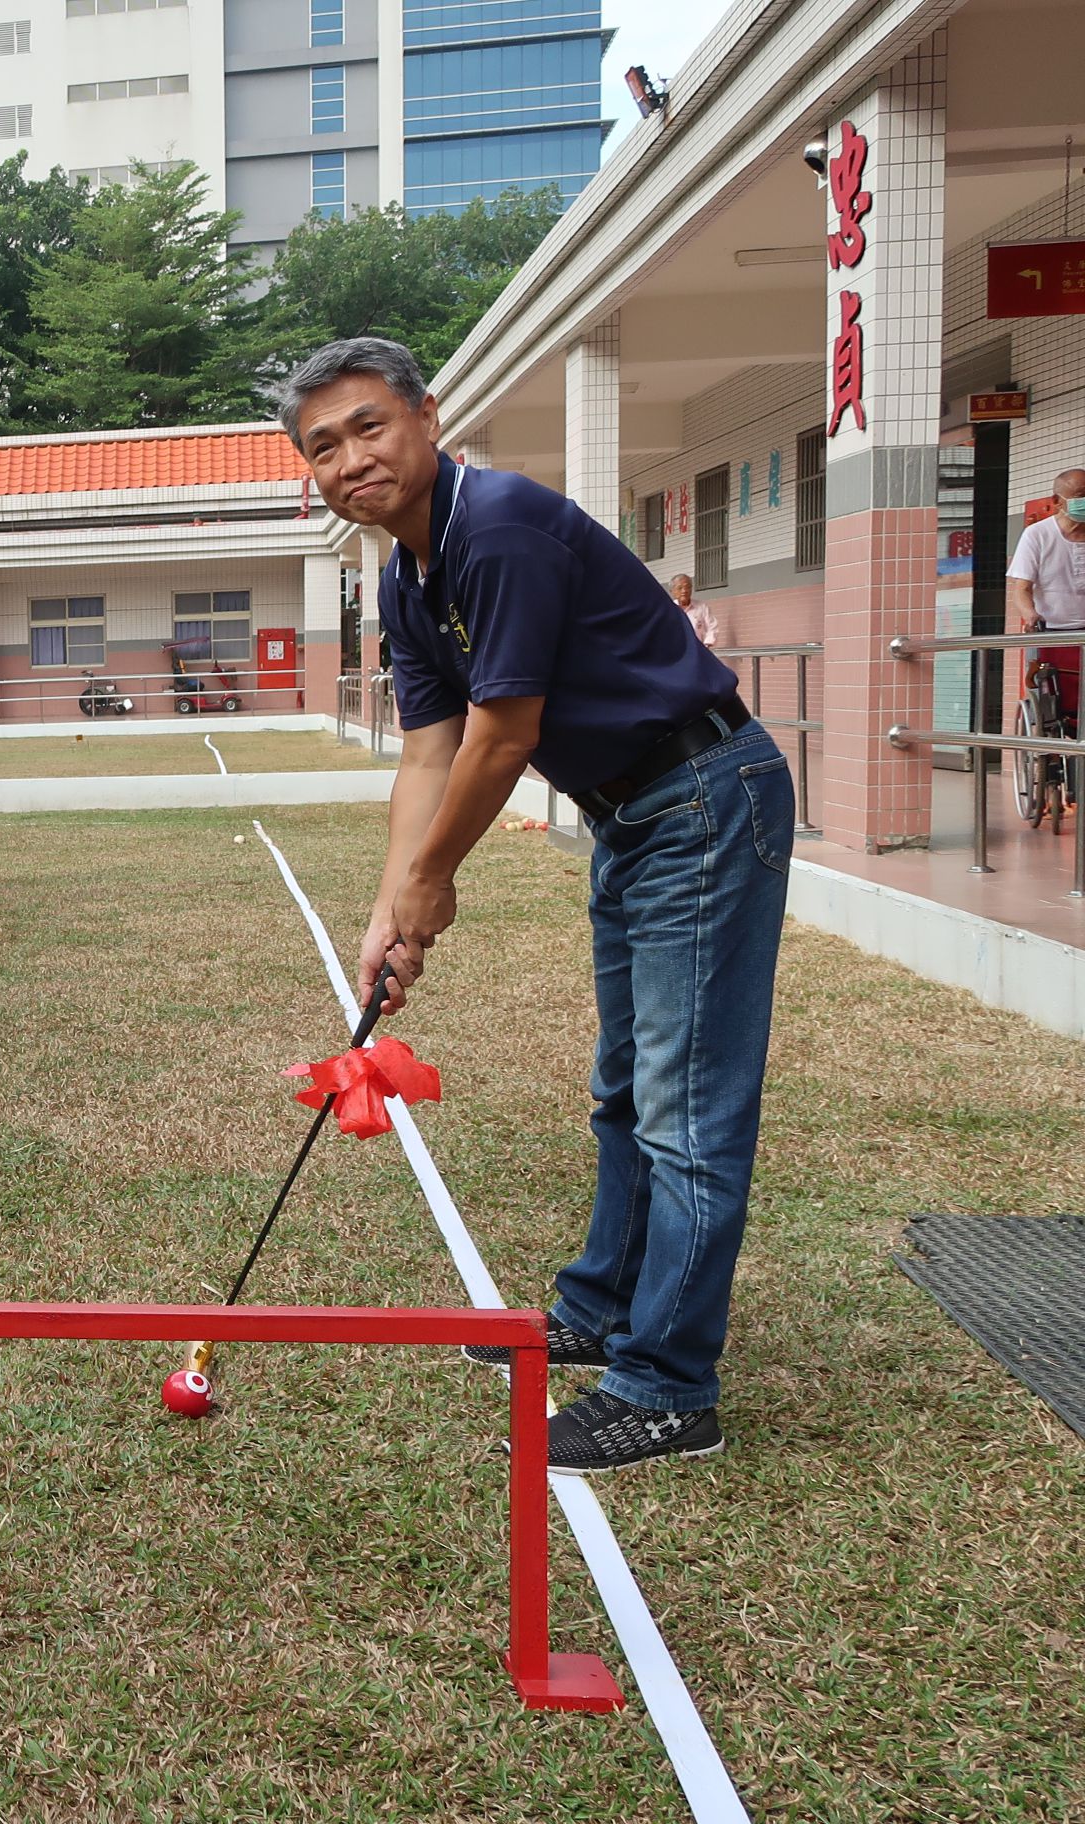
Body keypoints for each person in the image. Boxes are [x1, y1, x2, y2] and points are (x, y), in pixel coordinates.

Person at [284, 334, 788, 1476]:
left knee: (686, 1104)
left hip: (703, 794)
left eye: (370, 426)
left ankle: (668, 1388)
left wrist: (432, 881)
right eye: (324, 448)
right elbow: (430, 750)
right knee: (627, 1091)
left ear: (425, 416)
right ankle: (602, 1311)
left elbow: (505, 735)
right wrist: (387, 908)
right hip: (633, 815)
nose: (352, 458)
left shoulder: (496, 525)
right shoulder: (407, 577)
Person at [1009, 468, 1085, 721]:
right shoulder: (1038, 535)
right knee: (1058, 699)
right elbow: (1021, 587)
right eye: (1081, 495)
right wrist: (1029, 614)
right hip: (1055, 632)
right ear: (1057, 501)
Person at [666, 573, 717, 649]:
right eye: (680, 588)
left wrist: (706, 645)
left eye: (688, 587)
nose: (684, 591)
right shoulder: (668, 610)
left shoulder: (702, 607)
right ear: (672, 591)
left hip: (698, 650)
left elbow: (712, 627)